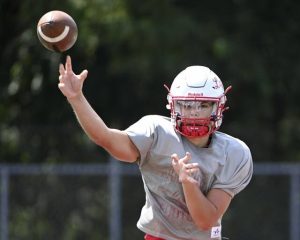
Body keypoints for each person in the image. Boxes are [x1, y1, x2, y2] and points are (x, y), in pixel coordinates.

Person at [58, 56, 253, 240]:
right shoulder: (156, 133)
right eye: (186, 105)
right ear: (173, 106)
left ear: (218, 107)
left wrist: (188, 183)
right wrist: (76, 98)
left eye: (203, 105)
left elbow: (205, 221)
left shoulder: (233, 153)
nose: (194, 113)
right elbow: (107, 139)